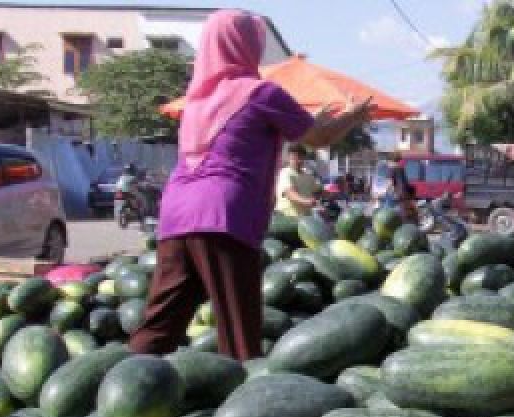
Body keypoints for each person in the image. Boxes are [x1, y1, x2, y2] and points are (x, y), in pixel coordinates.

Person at [128, 9, 373, 361]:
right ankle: (239, 405)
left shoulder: (196, 102)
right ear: (243, 45)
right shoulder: (261, 93)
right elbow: (318, 139)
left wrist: (313, 123)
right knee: (240, 331)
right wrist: (354, 116)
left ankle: (119, 388)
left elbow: (247, 139)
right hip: (223, 215)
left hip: (175, 216)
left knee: (160, 323)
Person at [274, 143, 322, 218]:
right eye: (294, 158)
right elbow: (290, 193)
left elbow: (317, 191)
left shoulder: (308, 175)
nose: (298, 160)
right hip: (287, 218)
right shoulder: (285, 173)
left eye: (300, 157)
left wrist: (329, 193)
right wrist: (306, 201)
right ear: (289, 158)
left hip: (306, 218)